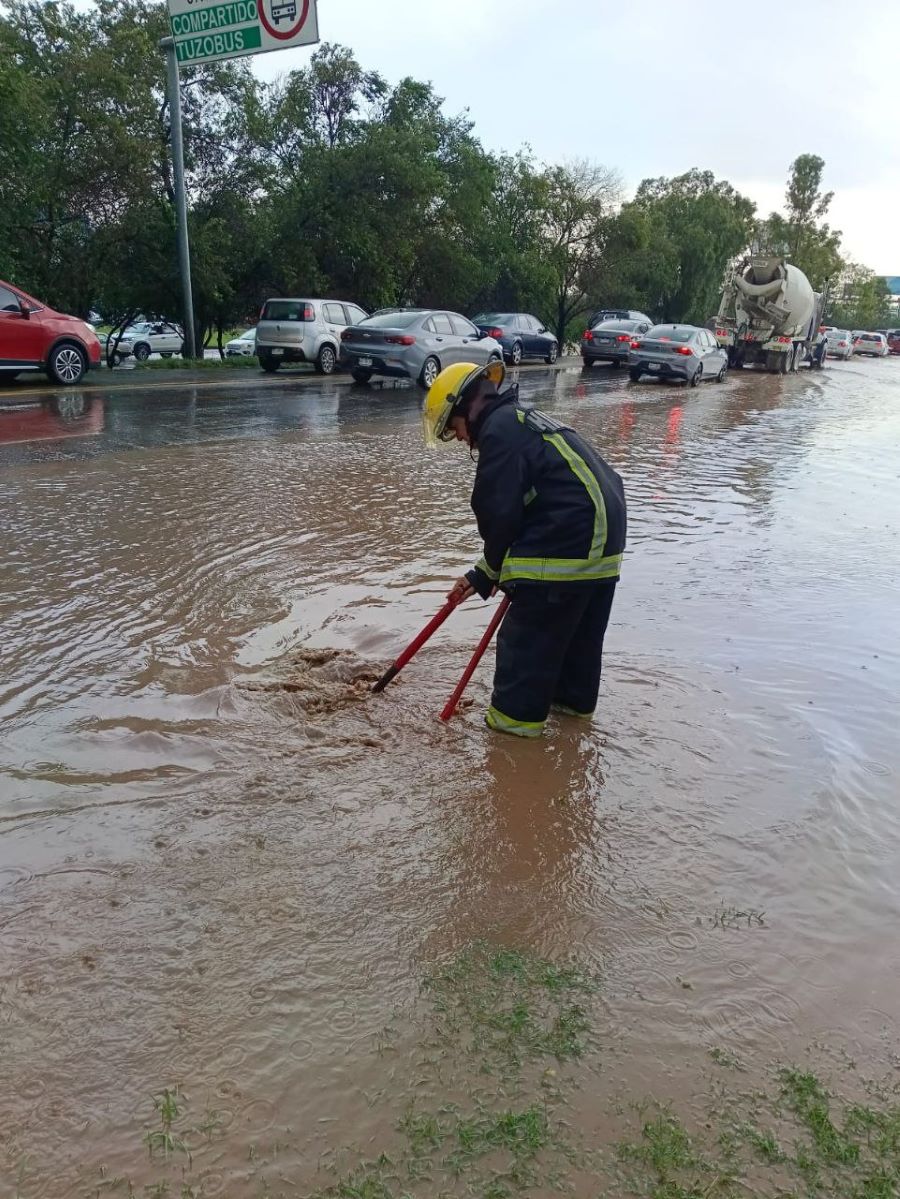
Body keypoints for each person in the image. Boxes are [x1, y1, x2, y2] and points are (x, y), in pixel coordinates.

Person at [422, 360, 626, 738]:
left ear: (467, 407)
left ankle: (511, 753)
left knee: (524, 657)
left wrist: (491, 571)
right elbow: (528, 510)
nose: (461, 439)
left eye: (455, 428)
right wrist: (481, 576)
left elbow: (496, 513)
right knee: (574, 665)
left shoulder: (500, 432)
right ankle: (570, 743)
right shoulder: (528, 422)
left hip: (565, 549)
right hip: (602, 556)